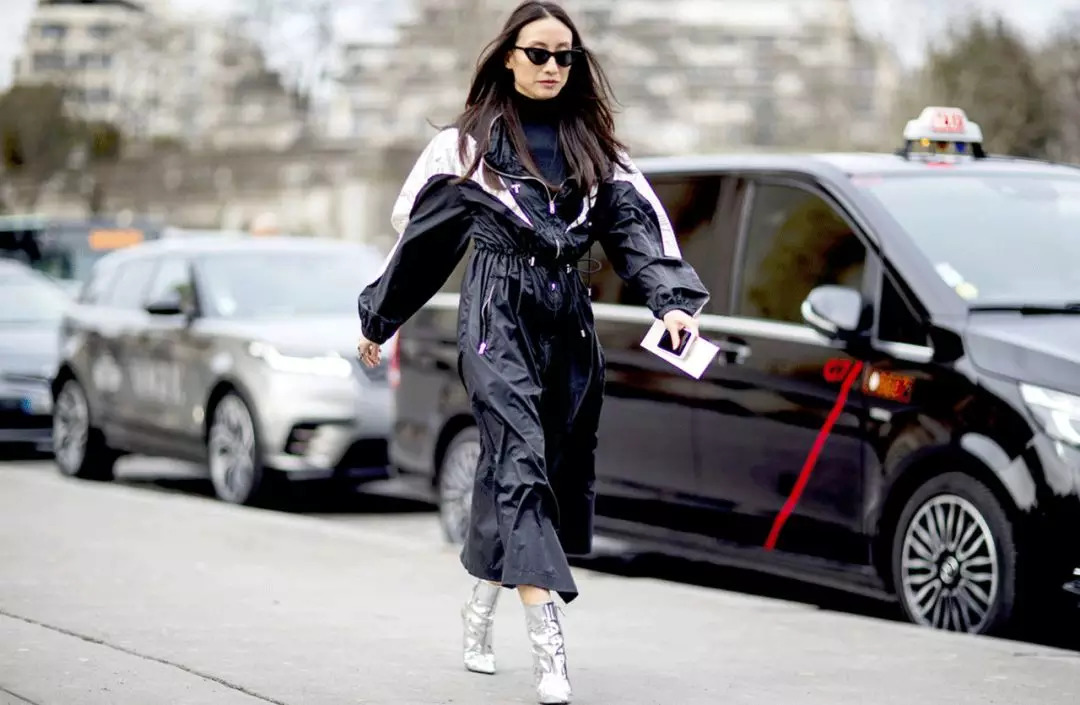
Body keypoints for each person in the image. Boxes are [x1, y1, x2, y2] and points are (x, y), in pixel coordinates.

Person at [355, 2, 709, 702]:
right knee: (518, 457)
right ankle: (549, 644)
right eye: (538, 53)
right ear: (509, 57)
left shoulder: (597, 152)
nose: (552, 67)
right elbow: (421, 242)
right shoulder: (466, 148)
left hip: (567, 321)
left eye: (564, 56)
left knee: (530, 464)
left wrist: (671, 303)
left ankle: (479, 608)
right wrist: (379, 319)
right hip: (495, 314)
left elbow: (638, 233)